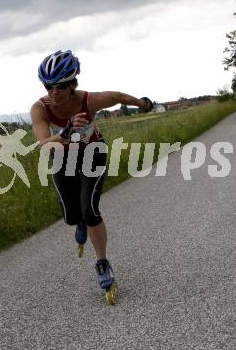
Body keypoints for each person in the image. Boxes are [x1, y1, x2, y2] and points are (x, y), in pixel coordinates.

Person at [30, 50, 153, 304]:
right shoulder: (40, 109)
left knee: (90, 210)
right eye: (49, 86)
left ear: (73, 83)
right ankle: (80, 222)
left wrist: (143, 103)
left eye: (61, 86)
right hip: (62, 158)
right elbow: (43, 144)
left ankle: (102, 263)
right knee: (72, 217)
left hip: (92, 155)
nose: (54, 93)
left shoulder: (90, 100)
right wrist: (63, 132)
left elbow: (118, 96)